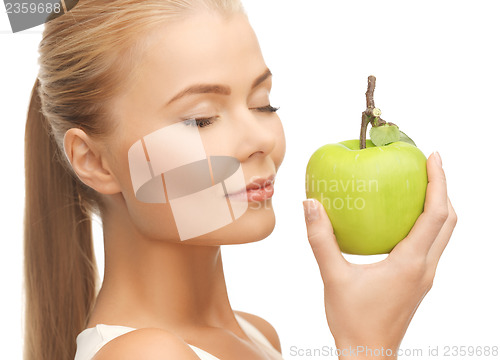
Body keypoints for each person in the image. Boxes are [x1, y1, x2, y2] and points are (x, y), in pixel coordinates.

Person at [23, 0, 457, 359]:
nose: (259, 139)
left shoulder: (258, 336)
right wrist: (370, 344)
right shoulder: (144, 353)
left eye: (263, 104)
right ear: (94, 161)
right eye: (201, 119)